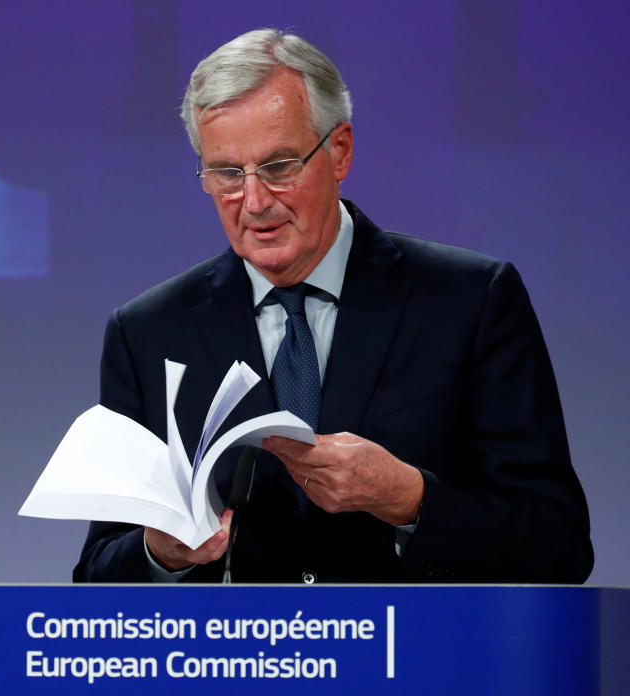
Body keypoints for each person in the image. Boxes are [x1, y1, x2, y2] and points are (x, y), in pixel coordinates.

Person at [73, 28, 593, 583]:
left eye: (278, 166)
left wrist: (410, 498)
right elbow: (99, 574)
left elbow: (557, 543)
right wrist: (163, 553)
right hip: (244, 666)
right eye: (226, 173)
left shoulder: (472, 300)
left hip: (415, 659)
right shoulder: (150, 332)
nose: (253, 201)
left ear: (339, 150)